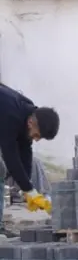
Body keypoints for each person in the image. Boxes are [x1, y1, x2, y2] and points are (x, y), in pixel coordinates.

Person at [0, 84, 59, 237]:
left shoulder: (28, 112)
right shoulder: (10, 115)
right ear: (31, 123)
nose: (36, 139)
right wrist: (28, 189)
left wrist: (28, 189)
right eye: (37, 135)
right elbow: (10, 155)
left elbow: (25, 150)